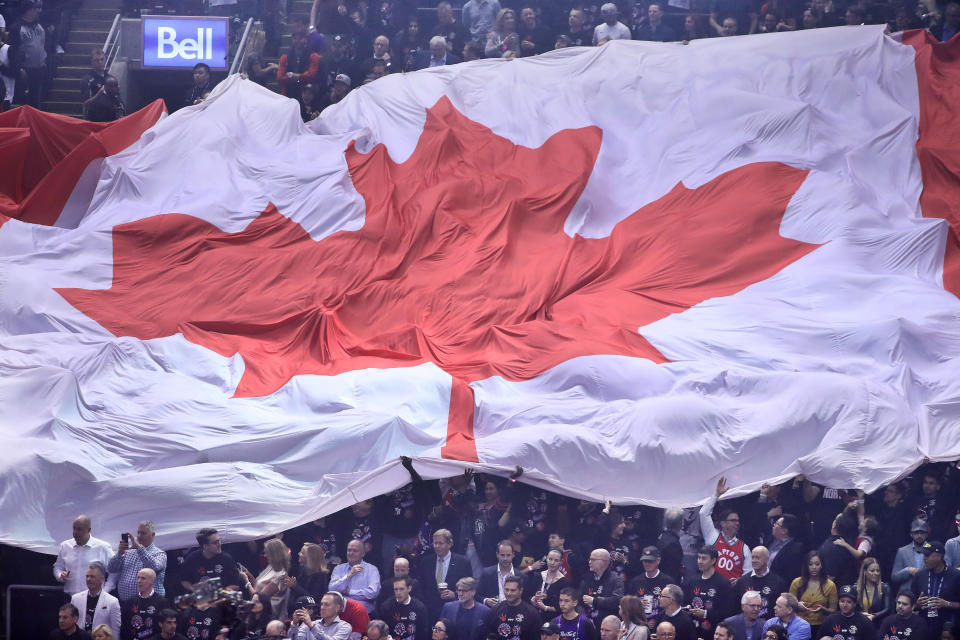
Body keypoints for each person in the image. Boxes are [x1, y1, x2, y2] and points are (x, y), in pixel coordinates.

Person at [700, 479, 751, 582]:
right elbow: (703, 513)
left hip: (731, 592)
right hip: (711, 586)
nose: (737, 523)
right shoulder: (712, 536)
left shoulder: (744, 548)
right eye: (733, 520)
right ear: (723, 523)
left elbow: (748, 573)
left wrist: (739, 582)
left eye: (738, 521)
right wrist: (716, 495)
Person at [909, 541, 960, 639]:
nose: (924, 558)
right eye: (924, 555)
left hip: (948, 628)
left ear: (939, 556)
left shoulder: (956, 576)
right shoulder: (919, 575)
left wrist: (947, 604)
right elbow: (910, 603)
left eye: (927, 555)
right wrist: (917, 604)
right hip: (924, 627)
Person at [55, 515, 114, 597]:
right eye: (74, 528)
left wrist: (105, 591)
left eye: (79, 529)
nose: (75, 532)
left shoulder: (102, 547)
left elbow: (114, 572)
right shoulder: (65, 546)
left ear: (88, 530)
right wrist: (60, 575)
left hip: (93, 598)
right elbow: (58, 567)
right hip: (70, 598)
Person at [107, 522, 166, 603]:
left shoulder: (159, 553)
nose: (139, 536)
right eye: (138, 532)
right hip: (126, 603)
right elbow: (111, 569)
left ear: (152, 535)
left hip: (150, 603)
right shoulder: (128, 552)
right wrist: (120, 553)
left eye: (143, 533)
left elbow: (154, 567)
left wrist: (139, 548)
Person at [420, 528, 473, 619]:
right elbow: (422, 586)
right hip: (430, 612)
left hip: (454, 611)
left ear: (449, 544)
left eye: (440, 543)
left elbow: (469, 587)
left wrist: (455, 595)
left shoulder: (463, 563)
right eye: (435, 543)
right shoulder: (426, 562)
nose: (437, 546)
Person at [685, 546, 734, 640]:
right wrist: (687, 608)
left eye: (704, 558)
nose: (700, 561)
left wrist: (705, 613)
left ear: (713, 560)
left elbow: (727, 612)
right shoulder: (692, 581)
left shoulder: (723, 583)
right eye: (698, 557)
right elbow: (685, 601)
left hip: (712, 632)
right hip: (692, 631)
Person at [7, 0, 46, 108]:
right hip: (25, 69)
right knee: (25, 100)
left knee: (36, 100)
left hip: (39, 67)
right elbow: (13, 50)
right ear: (27, 10)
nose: (36, 11)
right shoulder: (16, 27)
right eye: (33, 8)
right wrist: (18, 68)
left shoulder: (39, 24)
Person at [71, 562, 121, 640]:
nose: (88, 579)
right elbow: (71, 626)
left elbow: (115, 630)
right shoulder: (75, 599)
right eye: (87, 576)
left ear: (102, 579)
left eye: (92, 576)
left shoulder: (112, 602)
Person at [483, 575, 542, 640]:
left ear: (521, 591)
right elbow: (489, 635)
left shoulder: (531, 613)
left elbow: (536, 637)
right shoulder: (495, 610)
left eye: (513, 590)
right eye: (506, 589)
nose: (508, 593)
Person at [789, 552, 836, 632]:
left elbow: (833, 610)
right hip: (799, 624)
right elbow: (788, 605)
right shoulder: (796, 582)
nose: (814, 567)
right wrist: (797, 605)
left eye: (817, 564)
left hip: (820, 626)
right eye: (810, 564)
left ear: (822, 566)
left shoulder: (830, 585)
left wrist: (823, 609)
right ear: (806, 566)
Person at [330, 539, 381, 613]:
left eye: (355, 551)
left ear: (363, 554)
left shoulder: (372, 569)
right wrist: (348, 576)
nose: (351, 553)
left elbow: (373, 593)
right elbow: (332, 589)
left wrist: (349, 592)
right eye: (349, 550)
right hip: (341, 612)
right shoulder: (338, 568)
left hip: (363, 612)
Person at [736, 547, 787, 621]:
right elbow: (736, 607)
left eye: (757, 558)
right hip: (745, 626)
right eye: (752, 557)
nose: (754, 560)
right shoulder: (742, 581)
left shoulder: (778, 582)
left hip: (769, 627)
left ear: (767, 559)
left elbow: (781, 608)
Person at [629, 546, 675, 624]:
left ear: (658, 560)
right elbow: (627, 603)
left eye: (650, 561)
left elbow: (673, 605)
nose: (647, 564)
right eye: (645, 561)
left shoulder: (668, 581)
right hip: (639, 623)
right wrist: (637, 604)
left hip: (661, 624)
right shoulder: (636, 581)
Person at [119, 568, 169, 640]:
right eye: (138, 578)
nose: (139, 581)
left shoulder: (163, 602)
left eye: (143, 578)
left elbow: (165, 628)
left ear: (152, 581)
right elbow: (124, 627)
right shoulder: (130, 602)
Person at [580, 549, 624, 624]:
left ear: (604, 561)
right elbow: (579, 603)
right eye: (589, 559)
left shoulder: (616, 578)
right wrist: (584, 619)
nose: (589, 562)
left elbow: (617, 601)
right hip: (588, 624)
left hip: (608, 624)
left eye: (593, 559)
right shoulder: (586, 579)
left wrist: (595, 601)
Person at [253, 538, 293, 620]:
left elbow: (259, 598)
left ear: (274, 554)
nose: (265, 555)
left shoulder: (281, 576)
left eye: (267, 553)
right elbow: (257, 585)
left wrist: (246, 581)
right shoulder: (270, 567)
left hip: (268, 617)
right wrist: (248, 576)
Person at [287, 542, 331, 613]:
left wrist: (295, 586)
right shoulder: (302, 568)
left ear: (310, 557)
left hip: (312, 610)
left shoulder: (320, 575)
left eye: (302, 553)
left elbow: (313, 598)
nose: (299, 554)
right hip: (296, 606)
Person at [278, 30, 321, 101]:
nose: (298, 41)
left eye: (301, 38)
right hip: (288, 95)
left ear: (306, 39)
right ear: (292, 40)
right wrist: (301, 77)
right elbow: (280, 79)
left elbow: (311, 77)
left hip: (307, 97)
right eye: (295, 38)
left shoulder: (314, 56)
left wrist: (291, 75)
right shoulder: (285, 56)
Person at [530, 550, 572, 618]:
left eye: (556, 560)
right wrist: (533, 599)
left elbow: (564, 606)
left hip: (553, 618)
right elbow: (528, 596)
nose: (552, 563)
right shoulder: (537, 576)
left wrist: (545, 608)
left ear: (561, 562)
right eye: (550, 559)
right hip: (534, 615)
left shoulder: (565, 582)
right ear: (546, 559)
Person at [480, 541, 519, 606]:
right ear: (497, 555)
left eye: (508, 555)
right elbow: (477, 595)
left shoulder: (521, 576)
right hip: (492, 612)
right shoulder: (486, 573)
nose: (505, 558)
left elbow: (525, 599)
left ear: (513, 555)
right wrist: (486, 600)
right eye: (502, 555)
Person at [769, 516, 806, 585]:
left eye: (776, 523)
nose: (773, 525)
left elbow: (789, 576)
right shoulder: (770, 541)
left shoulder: (795, 550)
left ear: (784, 531)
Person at [893, 522, 930, 587]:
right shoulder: (902, 551)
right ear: (911, 534)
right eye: (916, 532)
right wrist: (907, 570)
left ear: (927, 534)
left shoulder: (932, 549)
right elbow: (894, 577)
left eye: (922, 532)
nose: (919, 535)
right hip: (907, 592)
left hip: (927, 591)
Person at [855, 558, 890, 623]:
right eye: (872, 571)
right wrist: (860, 614)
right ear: (864, 571)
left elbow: (887, 609)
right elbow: (852, 608)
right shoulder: (855, 588)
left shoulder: (884, 587)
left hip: (877, 624)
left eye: (878, 570)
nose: (876, 573)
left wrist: (873, 616)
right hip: (859, 623)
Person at [80, 48, 106, 116]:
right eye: (97, 60)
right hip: (94, 118)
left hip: (109, 118)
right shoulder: (87, 79)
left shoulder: (109, 78)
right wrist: (99, 93)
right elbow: (86, 104)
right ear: (92, 62)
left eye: (102, 59)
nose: (100, 62)